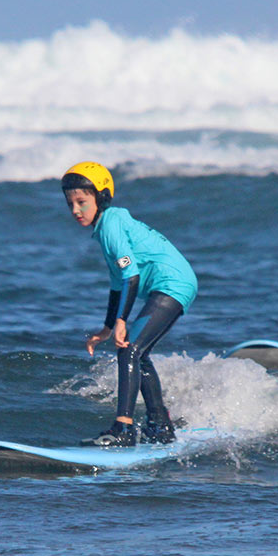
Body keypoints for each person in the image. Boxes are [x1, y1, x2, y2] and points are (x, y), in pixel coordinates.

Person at [61, 161, 198, 447]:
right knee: (138, 353)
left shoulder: (111, 223)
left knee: (129, 349)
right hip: (172, 284)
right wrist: (108, 327)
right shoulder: (106, 228)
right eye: (70, 203)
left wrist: (122, 322)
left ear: (101, 197)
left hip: (172, 284)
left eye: (82, 202)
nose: (75, 210)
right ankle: (160, 426)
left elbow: (131, 276)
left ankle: (123, 429)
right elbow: (118, 284)